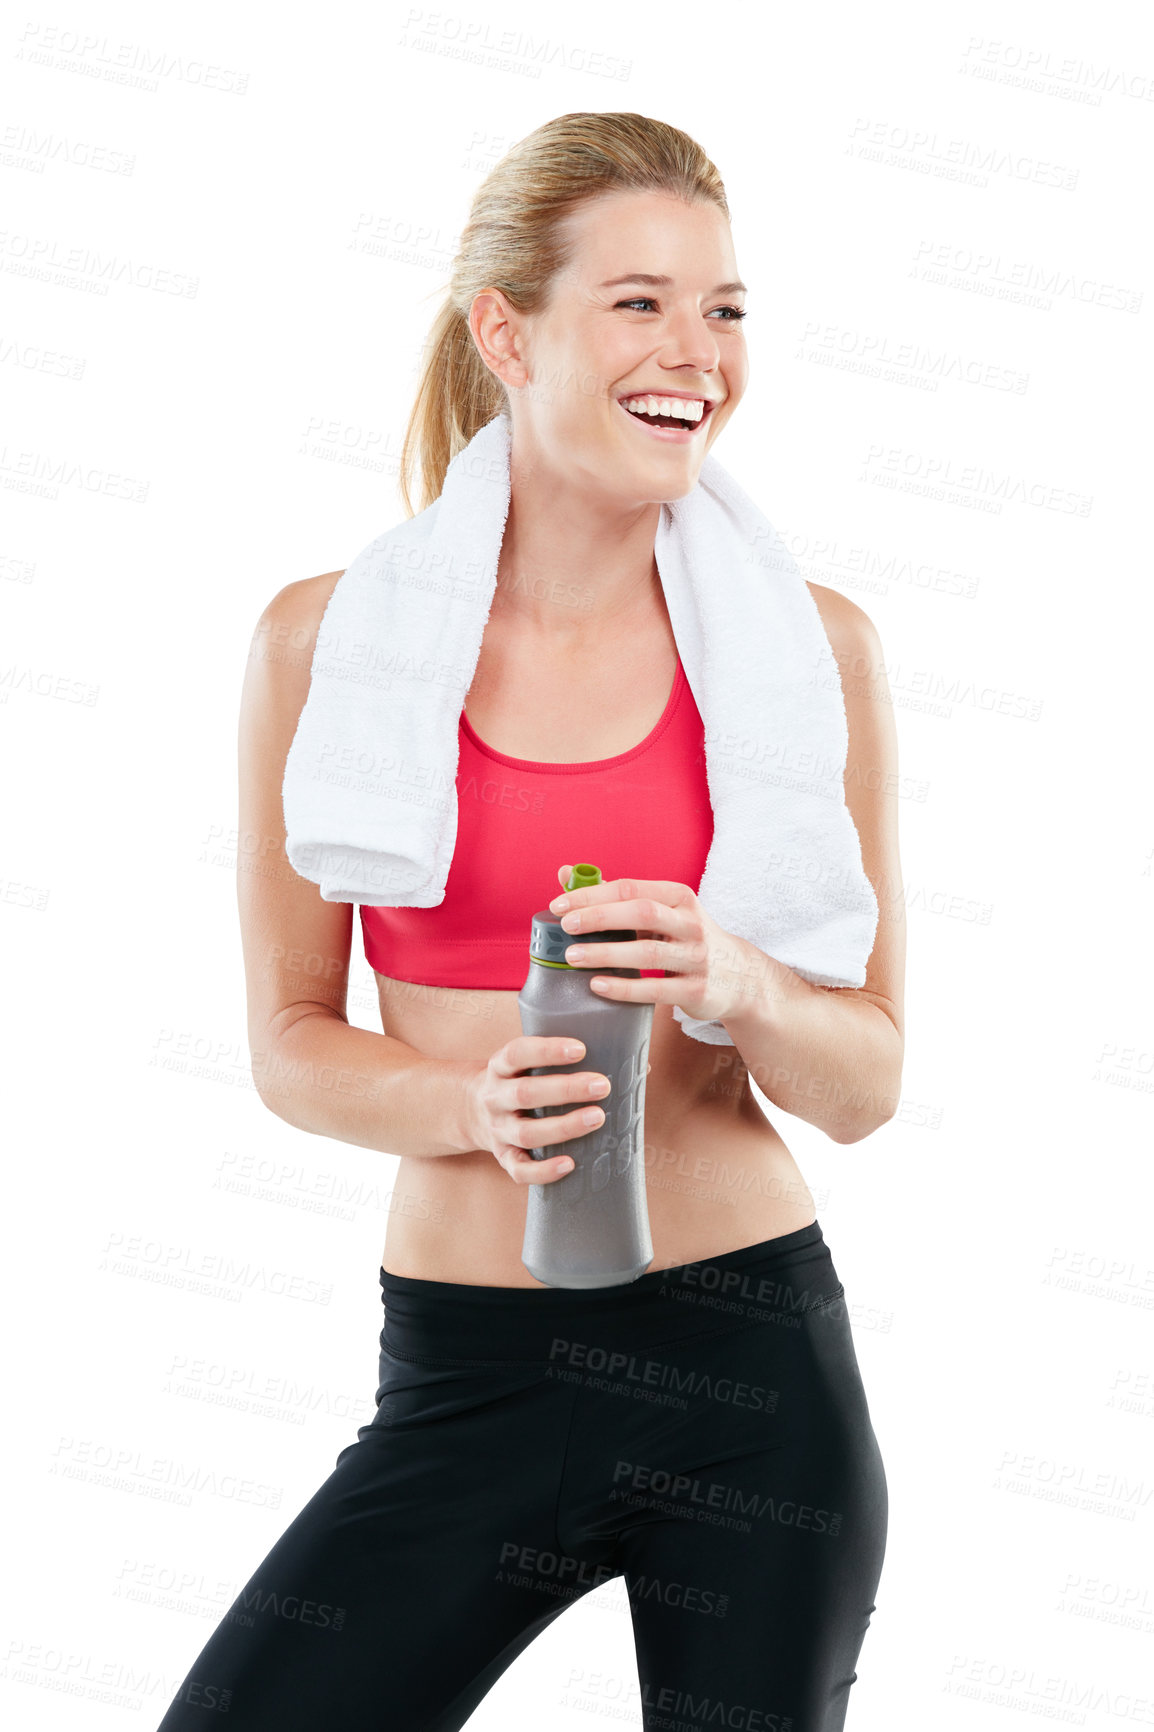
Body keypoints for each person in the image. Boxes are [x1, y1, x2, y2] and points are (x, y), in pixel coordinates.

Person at [156, 111, 903, 1732]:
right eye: (637, 302)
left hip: (747, 1377)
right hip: (464, 1379)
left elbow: (865, 1084)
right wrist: (462, 1104)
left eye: (724, 308)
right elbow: (291, 1045)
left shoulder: (806, 653)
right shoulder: (328, 648)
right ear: (508, 330)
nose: (694, 353)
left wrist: (747, 982)